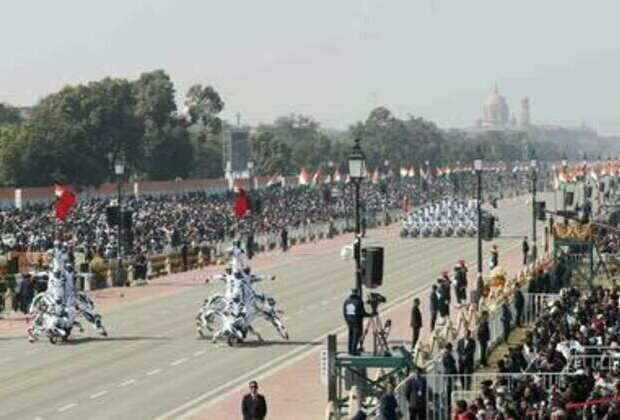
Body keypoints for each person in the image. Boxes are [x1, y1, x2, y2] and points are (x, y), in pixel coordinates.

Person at [343, 289, 365, 355]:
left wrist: (347, 320)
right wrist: (369, 315)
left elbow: (344, 312)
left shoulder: (346, 301)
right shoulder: (359, 301)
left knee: (351, 335)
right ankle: (354, 350)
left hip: (349, 320)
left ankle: (350, 350)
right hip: (356, 320)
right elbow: (362, 312)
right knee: (356, 335)